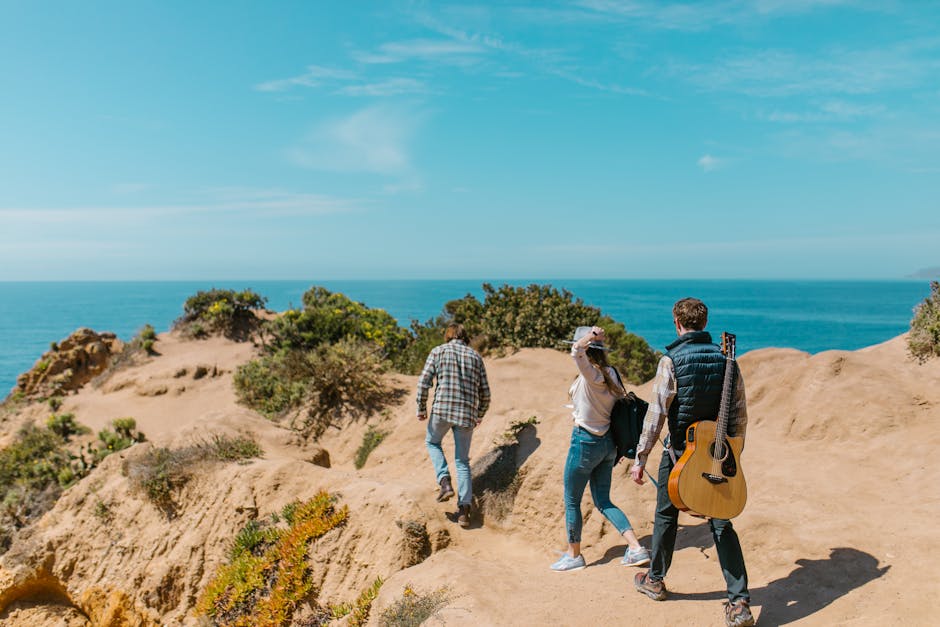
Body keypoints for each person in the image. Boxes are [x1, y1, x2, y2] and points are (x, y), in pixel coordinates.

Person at [629, 298, 754, 627]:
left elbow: (655, 415)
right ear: (705, 322)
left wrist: (640, 458)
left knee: (666, 516)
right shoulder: (727, 359)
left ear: (677, 323)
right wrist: (732, 456)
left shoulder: (670, 361)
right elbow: (738, 413)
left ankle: (655, 581)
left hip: (680, 453)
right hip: (718, 453)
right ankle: (739, 602)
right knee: (721, 521)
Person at [551, 325, 650, 572]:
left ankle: (574, 555)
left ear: (588, 349)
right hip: (608, 444)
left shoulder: (592, 376)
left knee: (572, 500)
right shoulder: (611, 375)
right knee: (603, 501)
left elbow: (576, 351)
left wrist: (591, 337)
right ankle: (636, 548)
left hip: (585, 442)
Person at [417, 322, 491, 529]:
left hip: (441, 410)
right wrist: (479, 414)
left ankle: (444, 482)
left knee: (432, 442)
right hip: (466, 414)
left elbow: (424, 382)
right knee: (462, 461)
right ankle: (464, 511)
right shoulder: (476, 356)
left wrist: (421, 408)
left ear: (447, 336)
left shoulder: (438, 351)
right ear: (465, 337)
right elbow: (485, 393)